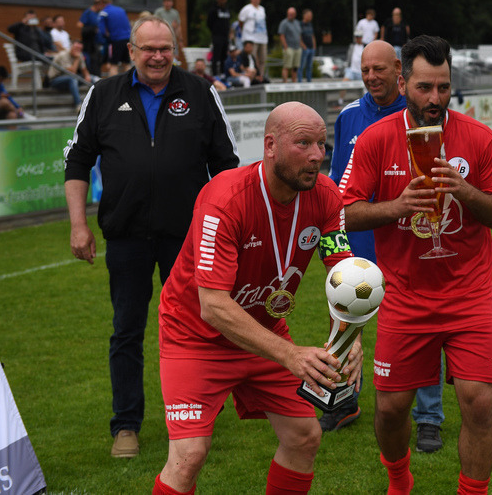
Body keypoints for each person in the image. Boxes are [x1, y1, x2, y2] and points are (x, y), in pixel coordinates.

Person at [339, 35, 492, 495]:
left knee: (478, 403)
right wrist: (396, 206)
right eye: (424, 87)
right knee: (391, 408)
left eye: (443, 87)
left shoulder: (478, 138)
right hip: (404, 295)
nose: (435, 98)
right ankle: (399, 482)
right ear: (403, 82)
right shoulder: (377, 139)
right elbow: (343, 210)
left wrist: (465, 191)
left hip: (468, 295)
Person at [152, 102, 357, 495]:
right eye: (303, 144)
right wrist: (291, 355)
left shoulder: (327, 196)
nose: (317, 155)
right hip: (195, 336)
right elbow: (212, 305)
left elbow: (343, 274)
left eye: (321, 144)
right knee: (189, 455)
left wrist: (350, 336)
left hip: (262, 331)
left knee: (304, 436)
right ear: (270, 146)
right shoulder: (224, 198)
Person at [63, 16, 240, 459]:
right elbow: (77, 162)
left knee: (201, 326)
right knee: (127, 330)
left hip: (188, 238)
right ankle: (126, 426)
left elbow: (228, 167)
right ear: (131, 51)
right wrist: (78, 224)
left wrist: (232, 228)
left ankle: (196, 417)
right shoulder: (102, 95)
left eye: (165, 48)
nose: (157, 56)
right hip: (126, 238)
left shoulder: (201, 92)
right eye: (148, 49)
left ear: (175, 49)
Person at [325, 40, 446, 447]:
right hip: (356, 244)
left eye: (379, 69)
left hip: (406, 247)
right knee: (342, 321)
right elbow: (337, 191)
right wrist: (332, 242)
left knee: (423, 328)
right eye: (365, 70)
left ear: (399, 70)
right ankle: (343, 399)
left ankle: (428, 414)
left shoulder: (418, 114)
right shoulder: (348, 117)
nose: (371, 77)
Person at [47, 40, 93, 107]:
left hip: (69, 79)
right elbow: (72, 72)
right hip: (55, 80)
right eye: (76, 48)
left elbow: (84, 70)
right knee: (73, 79)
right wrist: (77, 59)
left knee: (93, 78)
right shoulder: (63, 55)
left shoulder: (79, 54)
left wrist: (87, 76)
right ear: (71, 47)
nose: (77, 50)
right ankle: (78, 105)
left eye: (79, 49)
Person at [97, 0, 133, 76]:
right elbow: (128, 24)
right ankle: (131, 84)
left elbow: (102, 30)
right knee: (126, 63)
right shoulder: (121, 10)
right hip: (127, 39)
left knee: (113, 64)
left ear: (102, 3)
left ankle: (113, 88)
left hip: (116, 40)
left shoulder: (104, 13)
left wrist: (106, 38)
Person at [239, 0, 269, 79]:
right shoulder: (247, 9)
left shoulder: (262, 9)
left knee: (262, 59)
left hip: (262, 38)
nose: (257, 0)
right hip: (251, 38)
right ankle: (253, 77)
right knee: (253, 58)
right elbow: (241, 21)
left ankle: (261, 76)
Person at [206, 0, 232, 78]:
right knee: (216, 55)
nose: (223, 1)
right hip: (217, 36)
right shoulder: (213, 10)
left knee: (224, 55)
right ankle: (215, 74)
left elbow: (228, 22)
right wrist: (215, 31)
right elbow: (209, 23)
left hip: (225, 36)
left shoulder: (227, 9)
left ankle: (222, 73)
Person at [78, 0, 104, 75]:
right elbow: (79, 25)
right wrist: (91, 29)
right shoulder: (88, 13)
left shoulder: (100, 13)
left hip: (100, 42)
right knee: (92, 62)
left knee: (99, 61)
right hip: (91, 44)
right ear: (97, 5)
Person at [278, 7, 302, 83]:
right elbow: (281, 35)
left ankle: (294, 82)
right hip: (289, 48)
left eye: (292, 14)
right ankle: (285, 82)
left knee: (295, 67)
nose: (290, 15)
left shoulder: (297, 23)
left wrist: (301, 45)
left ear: (295, 14)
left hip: (297, 47)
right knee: (287, 66)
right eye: (289, 14)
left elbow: (299, 34)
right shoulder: (284, 23)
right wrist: (286, 47)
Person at [299, 9, 316, 82]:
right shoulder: (300, 24)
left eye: (311, 16)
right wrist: (303, 46)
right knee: (301, 66)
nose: (310, 17)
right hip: (304, 49)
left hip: (311, 48)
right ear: (304, 16)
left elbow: (312, 36)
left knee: (309, 66)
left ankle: (309, 81)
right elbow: (298, 36)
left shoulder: (310, 24)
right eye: (309, 15)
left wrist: (314, 46)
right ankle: (300, 81)